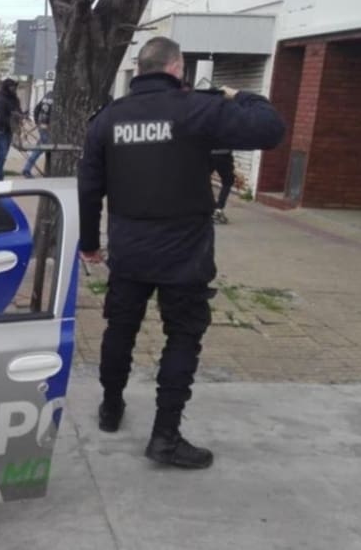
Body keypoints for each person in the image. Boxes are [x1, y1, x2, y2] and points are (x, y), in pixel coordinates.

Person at [78, 36, 284, 469]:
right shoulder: (199, 110)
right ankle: (165, 436)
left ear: (139, 70)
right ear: (177, 69)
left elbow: (89, 188)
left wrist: (90, 245)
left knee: (120, 329)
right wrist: (235, 93)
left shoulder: (108, 120)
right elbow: (269, 127)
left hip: (130, 251)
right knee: (183, 337)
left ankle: (111, 408)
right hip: (184, 255)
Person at [0, 78, 21, 181]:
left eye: (15, 87)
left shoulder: (14, 99)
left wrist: (20, 115)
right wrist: (11, 120)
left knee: (2, 156)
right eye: (12, 87)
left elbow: (17, 109)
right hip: (0, 130)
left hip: (8, 131)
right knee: (1, 155)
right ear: (7, 87)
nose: (14, 89)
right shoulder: (0, 98)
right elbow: (0, 116)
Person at [22, 93, 52, 177]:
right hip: (49, 127)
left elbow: (36, 109)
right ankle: (27, 169)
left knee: (42, 148)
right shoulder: (57, 98)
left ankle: (28, 168)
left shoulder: (47, 95)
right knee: (40, 149)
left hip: (42, 125)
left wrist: (37, 121)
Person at [211, 150, 234, 223]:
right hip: (224, 155)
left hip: (208, 153)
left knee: (203, 180)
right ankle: (218, 210)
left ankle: (211, 208)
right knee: (228, 181)